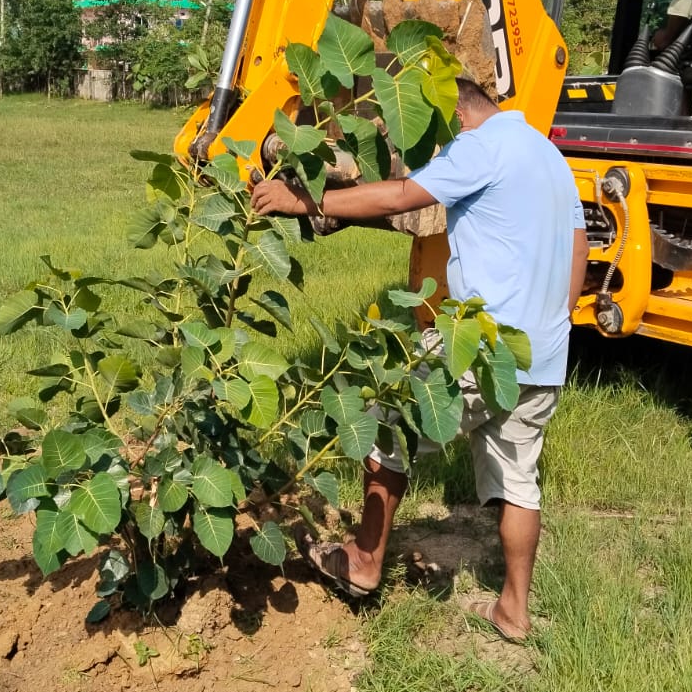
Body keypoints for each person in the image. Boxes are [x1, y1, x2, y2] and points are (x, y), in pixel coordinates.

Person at [250, 76, 589, 644]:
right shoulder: (549, 154)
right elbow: (578, 243)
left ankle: (362, 561)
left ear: (455, 111)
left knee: (386, 429)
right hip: (543, 351)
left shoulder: (480, 146)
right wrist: (557, 318)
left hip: (478, 345)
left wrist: (303, 201)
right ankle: (514, 611)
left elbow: (401, 196)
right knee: (520, 481)